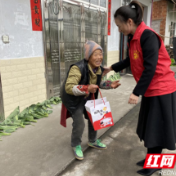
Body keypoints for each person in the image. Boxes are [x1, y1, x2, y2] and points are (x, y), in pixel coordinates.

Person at [103, 1, 176, 175]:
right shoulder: (133, 37)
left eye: (119, 26)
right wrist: (111, 67)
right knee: (150, 127)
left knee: (156, 128)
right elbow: (131, 60)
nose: (118, 30)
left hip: (161, 89)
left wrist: (136, 92)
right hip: (151, 89)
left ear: (129, 22)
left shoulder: (147, 36)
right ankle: (151, 158)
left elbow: (150, 68)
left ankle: (155, 164)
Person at [60, 40, 121, 161]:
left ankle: (93, 141)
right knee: (79, 122)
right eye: (96, 54)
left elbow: (97, 83)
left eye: (100, 54)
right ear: (88, 56)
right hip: (73, 99)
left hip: (87, 96)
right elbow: (69, 87)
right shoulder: (77, 68)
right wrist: (87, 88)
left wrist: (109, 84)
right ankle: (75, 144)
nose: (99, 57)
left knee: (95, 117)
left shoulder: (99, 69)